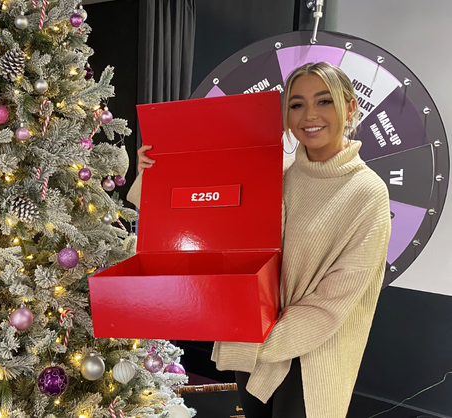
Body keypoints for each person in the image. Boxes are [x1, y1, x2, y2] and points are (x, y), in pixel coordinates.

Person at [127, 62, 391, 418]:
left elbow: (336, 298)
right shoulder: (276, 177)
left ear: (350, 107)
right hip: (253, 347)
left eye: (324, 101)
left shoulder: (368, 192)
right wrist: (158, 172)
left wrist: (253, 339)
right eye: (296, 104)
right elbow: (195, 218)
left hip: (310, 357)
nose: (310, 115)